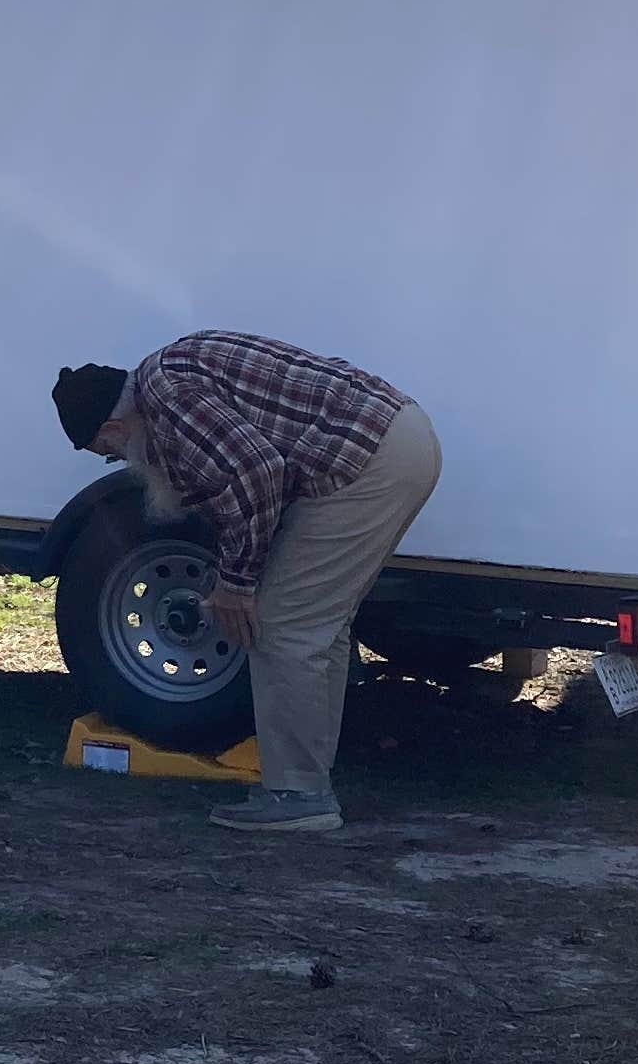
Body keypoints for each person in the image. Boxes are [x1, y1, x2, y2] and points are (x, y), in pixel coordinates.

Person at [51, 334, 443, 835]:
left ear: (113, 426)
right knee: (317, 623)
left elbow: (258, 474)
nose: (122, 461)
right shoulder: (170, 371)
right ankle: (306, 781)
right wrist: (234, 574)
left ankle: (299, 795)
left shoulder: (169, 402)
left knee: (283, 626)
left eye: (108, 451)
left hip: (364, 463)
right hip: (395, 440)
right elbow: (251, 483)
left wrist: (237, 586)